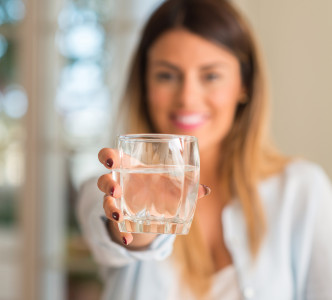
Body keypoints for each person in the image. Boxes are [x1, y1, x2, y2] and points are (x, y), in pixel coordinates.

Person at [76, 0, 332, 299]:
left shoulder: (302, 190)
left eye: (211, 76)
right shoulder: (109, 187)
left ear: (244, 85)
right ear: (144, 85)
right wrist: (138, 220)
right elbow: (111, 230)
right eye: (166, 75)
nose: (187, 97)